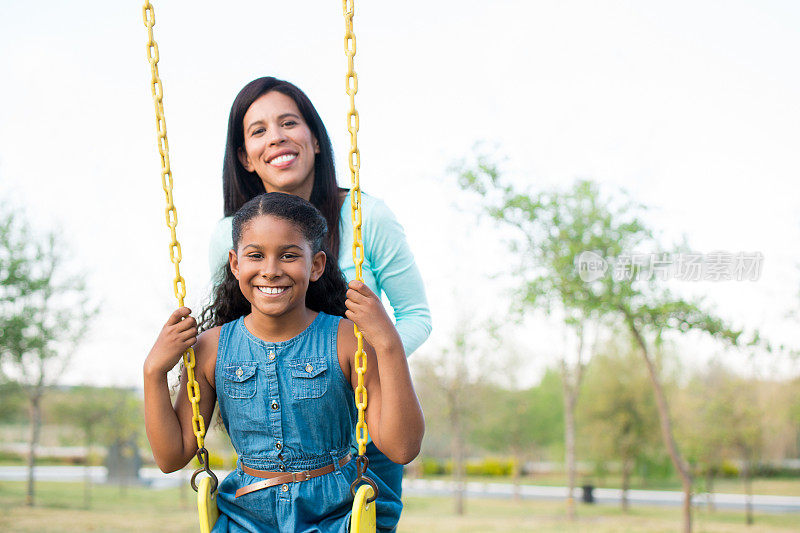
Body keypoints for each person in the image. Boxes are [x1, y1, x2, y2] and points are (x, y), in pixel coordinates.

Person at [208, 76, 431, 528]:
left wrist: (363, 368)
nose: (276, 137)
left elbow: (416, 316)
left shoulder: (367, 216)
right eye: (258, 131)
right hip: (276, 447)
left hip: (368, 431)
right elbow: (233, 323)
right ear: (245, 158)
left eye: (289, 122)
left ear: (315, 139)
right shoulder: (228, 234)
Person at [144, 192, 424, 532]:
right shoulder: (211, 348)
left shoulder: (349, 340)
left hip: (335, 517)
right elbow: (171, 457)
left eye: (289, 255)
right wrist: (154, 372)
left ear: (316, 264)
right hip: (244, 517)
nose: (271, 270)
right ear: (235, 264)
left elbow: (402, 448)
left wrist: (389, 344)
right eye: (255, 256)